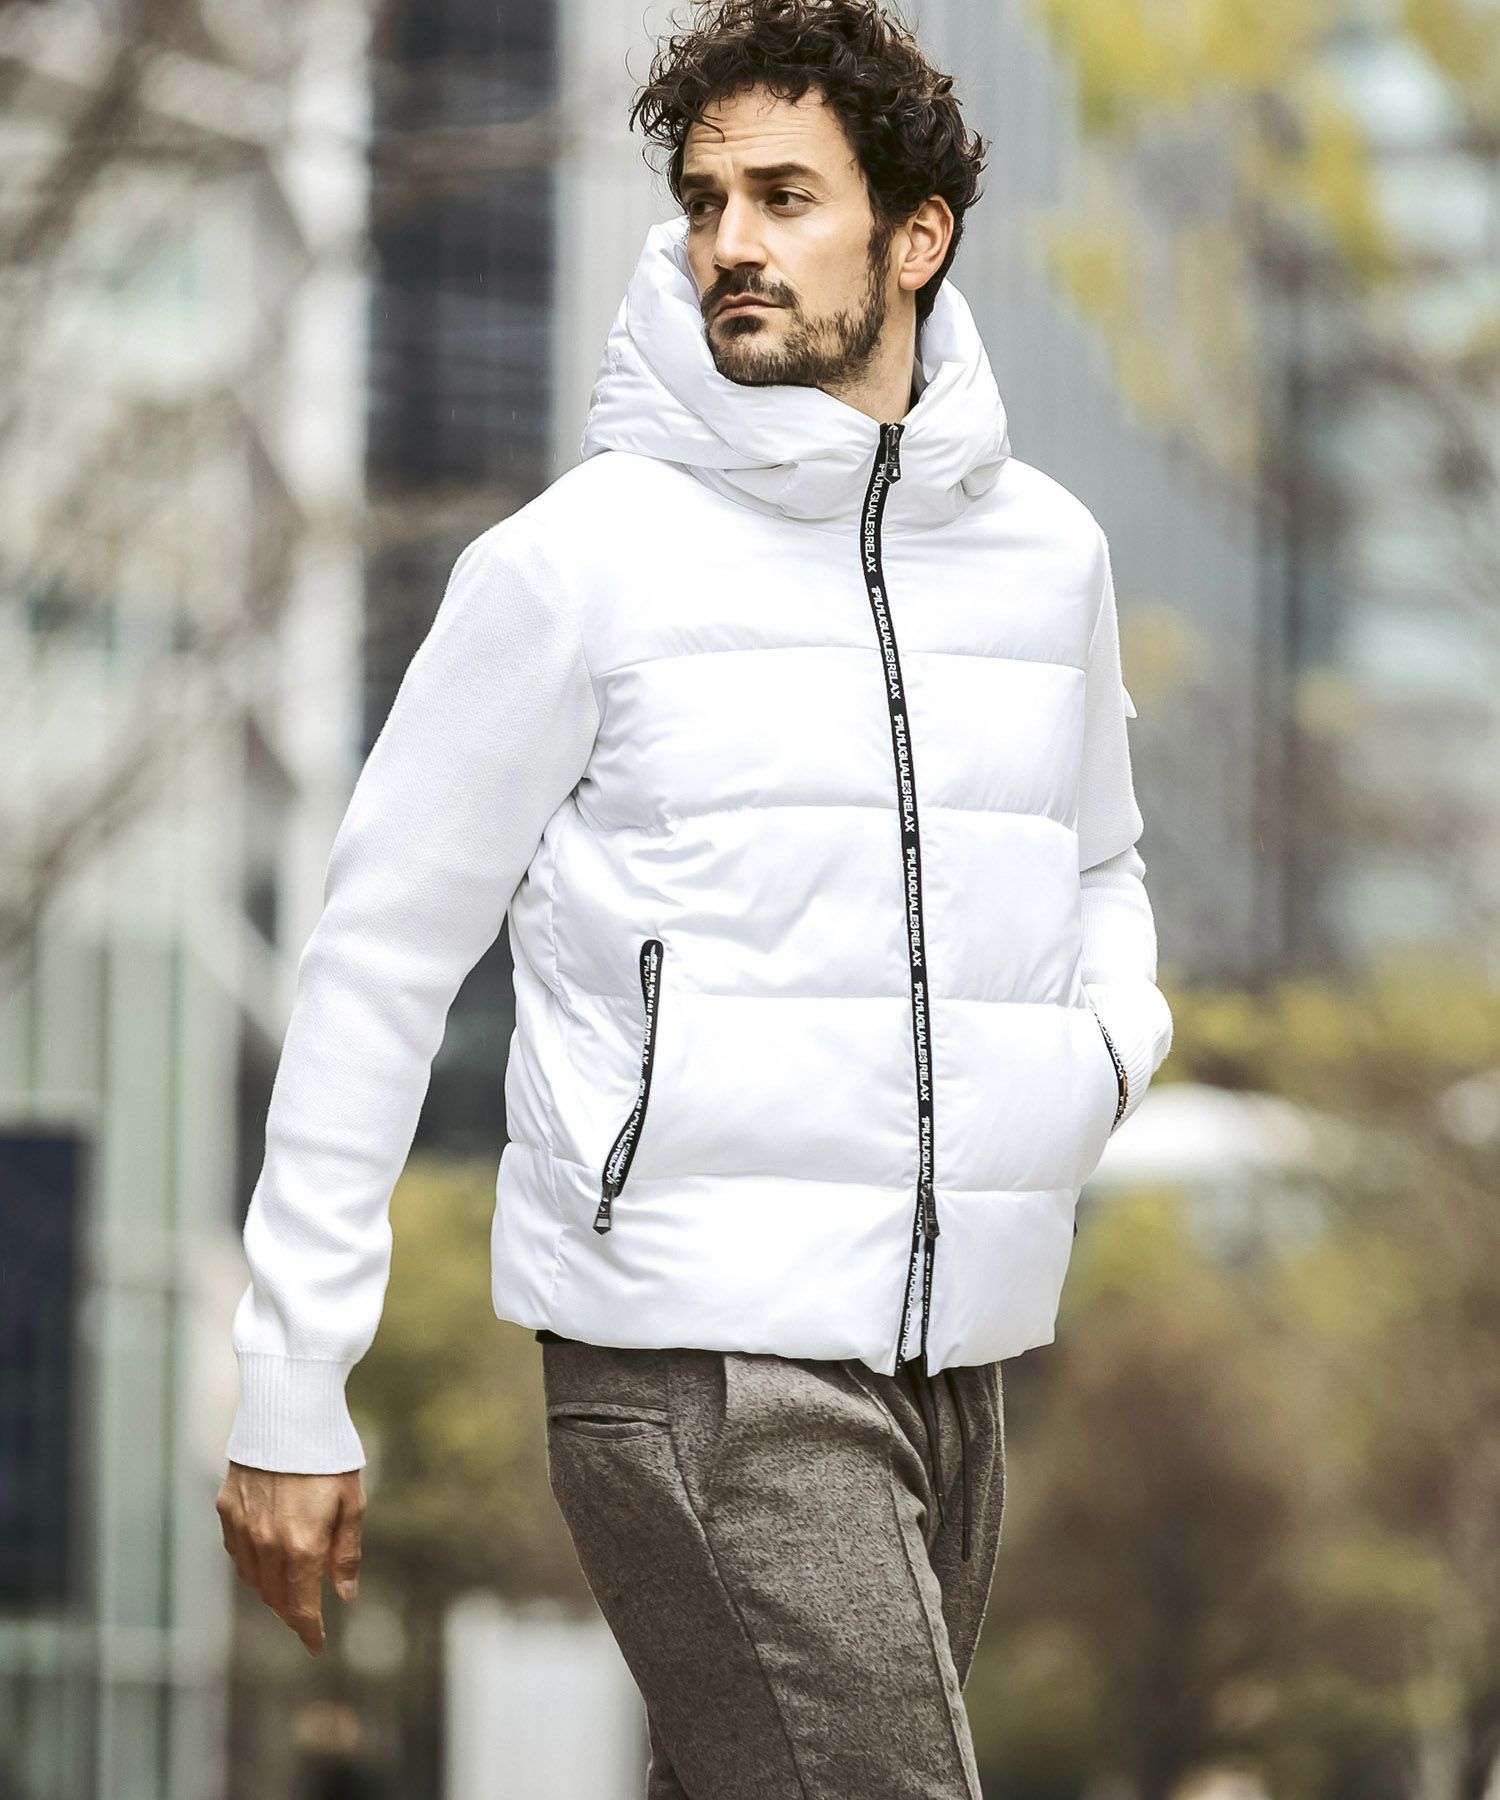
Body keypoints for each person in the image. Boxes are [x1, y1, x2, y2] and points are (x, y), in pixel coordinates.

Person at [216, 2, 1174, 1793]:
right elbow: (378, 959)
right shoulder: (580, 563)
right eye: (704, 199)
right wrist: (292, 1380)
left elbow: (1100, 857)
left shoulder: (1049, 558)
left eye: (784, 196)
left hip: (954, 1360)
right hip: (692, 1356)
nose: (730, 238)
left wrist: (1107, 1051)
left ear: (915, 235)